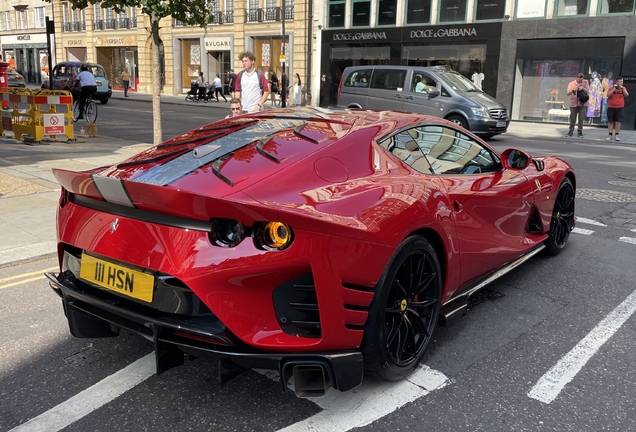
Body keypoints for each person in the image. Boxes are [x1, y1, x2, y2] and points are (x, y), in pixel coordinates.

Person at [565, 73, 589, 138]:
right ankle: (571, 131)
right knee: (572, 118)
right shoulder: (571, 84)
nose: (580, 80)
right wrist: (571, 92)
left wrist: (583, 88)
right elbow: (567, 94)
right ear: (576, 78)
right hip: (573, 103)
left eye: (581, 79)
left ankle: (580, 131)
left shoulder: (585, 82)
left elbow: (587, 91)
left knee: (581, 118)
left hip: (583, 103)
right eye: (579, 79)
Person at [606, 77, 629, 142]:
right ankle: (610, 135)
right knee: (611, 121)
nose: (621, 83)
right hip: (611, 107)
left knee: (618, 122)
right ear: (616, 82)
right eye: (620, 81)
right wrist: (614, 89)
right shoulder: (611, 88)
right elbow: (608, 95)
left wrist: (622, 89)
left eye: (622, 81)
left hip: (620, 107)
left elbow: (626, 95)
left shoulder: (623, 88)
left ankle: (617, 135)